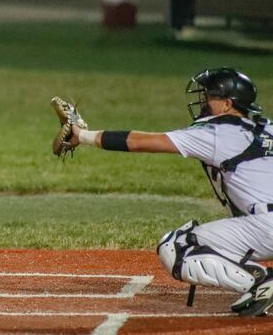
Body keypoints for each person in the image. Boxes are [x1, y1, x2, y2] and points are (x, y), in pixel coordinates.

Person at [62, 67, 273, 316]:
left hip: (266, 225)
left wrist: (82, 135)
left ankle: (260, 282)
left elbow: (138, 142)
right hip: (263, 224)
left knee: (177, 247)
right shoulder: (266, 127)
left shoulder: (215, 133)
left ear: (227, 104)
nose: (204, 102)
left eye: (210, 97)